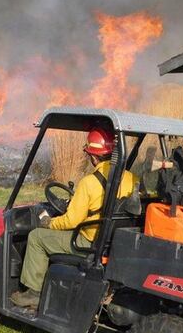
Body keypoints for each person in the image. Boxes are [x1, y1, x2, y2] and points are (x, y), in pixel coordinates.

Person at [11, 127, 137, 308]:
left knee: (36, 237)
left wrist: (49, 222)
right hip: (115, 242)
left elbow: (71, 221)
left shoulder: (89, 182)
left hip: (88, 242)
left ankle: (34, 293)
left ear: (93, 156)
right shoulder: (131, 178)